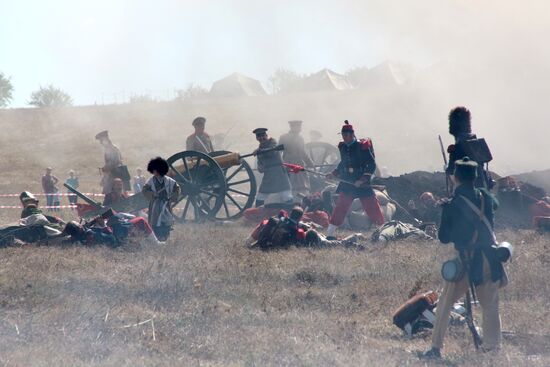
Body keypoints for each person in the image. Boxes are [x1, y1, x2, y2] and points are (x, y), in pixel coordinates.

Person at [421, 157, 507, 359]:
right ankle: (493, 349)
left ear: (455, 177)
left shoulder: (453, 204)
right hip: (489, 257)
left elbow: (444, 237)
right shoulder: (486, 199)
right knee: (491, 306)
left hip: (466, 259)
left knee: (444, 304)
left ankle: (435, 348)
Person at [325, 121, 385, 238]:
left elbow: (371, 164)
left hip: (361, 182)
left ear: (352, 135)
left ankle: (382, 232)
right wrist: (334, 173)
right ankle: (330, 233)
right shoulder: (342, 147)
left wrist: (362, 180)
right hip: (347, 181)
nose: (345, 137)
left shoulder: (362, 146)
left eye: (347, 135)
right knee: (341, 206)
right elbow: (343, 163)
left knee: (371, 206)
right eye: (343, 135)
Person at [245, 206, 364, 250]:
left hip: (310, 237)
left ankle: (354, 239)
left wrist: (250, 245)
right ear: (300, 217)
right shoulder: (296, 227)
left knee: (332, 241)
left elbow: (253, 239)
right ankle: (354, 239)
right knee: (333, 242)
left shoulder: (271, 223)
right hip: (312, 237)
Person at [446, 107, 494, 189]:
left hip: (466, 187)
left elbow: (451, 170)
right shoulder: (477, 143)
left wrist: (447, 170)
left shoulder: (457, 148)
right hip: (483, 183)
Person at [142, 157, 181, 241]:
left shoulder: (169, 181)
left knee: (166, 222)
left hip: (166, 204)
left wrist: (172, 198)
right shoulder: (151, 181)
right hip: (155, 205)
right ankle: (158, 238)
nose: (154, 172)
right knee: (155, 222)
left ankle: (165, 237)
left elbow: (177, 190)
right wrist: (152, 194)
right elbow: (144, 190)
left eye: (155, 170)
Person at [253, 128, 293, 207]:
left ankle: (290, 213)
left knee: (286, 196)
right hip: (268, 175)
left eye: (263, 136)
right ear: (257, 138)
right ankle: (257, 215)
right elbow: (260, 164)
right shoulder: (259, 149)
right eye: (259, 137)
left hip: (279, 173)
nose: (261, 138)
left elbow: (272, 152)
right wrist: (260, 167)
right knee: (260, 197)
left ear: (266, 136)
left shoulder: (273, 142)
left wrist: (259, 150)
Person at [279, 120, 315, 199]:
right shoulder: (299, 138)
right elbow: (303, 153)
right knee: (300, 187)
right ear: (293, 127)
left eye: (299, 126)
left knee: (290, 186)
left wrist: (281, 164)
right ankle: (298, 201)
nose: (299, 128)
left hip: (287, 165)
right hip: (297, 166)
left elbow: (279, 153)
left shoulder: (283, 137)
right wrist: (310, 163)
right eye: (298, 126)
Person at [96, 130, 124, 194]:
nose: (101, 143)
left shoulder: (111, 149)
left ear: (105, 140)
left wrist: (105, 168)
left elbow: (114, 162)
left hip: (114, 175)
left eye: (101, 141)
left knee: (111, 195)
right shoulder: (112, 148)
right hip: (113, 174)